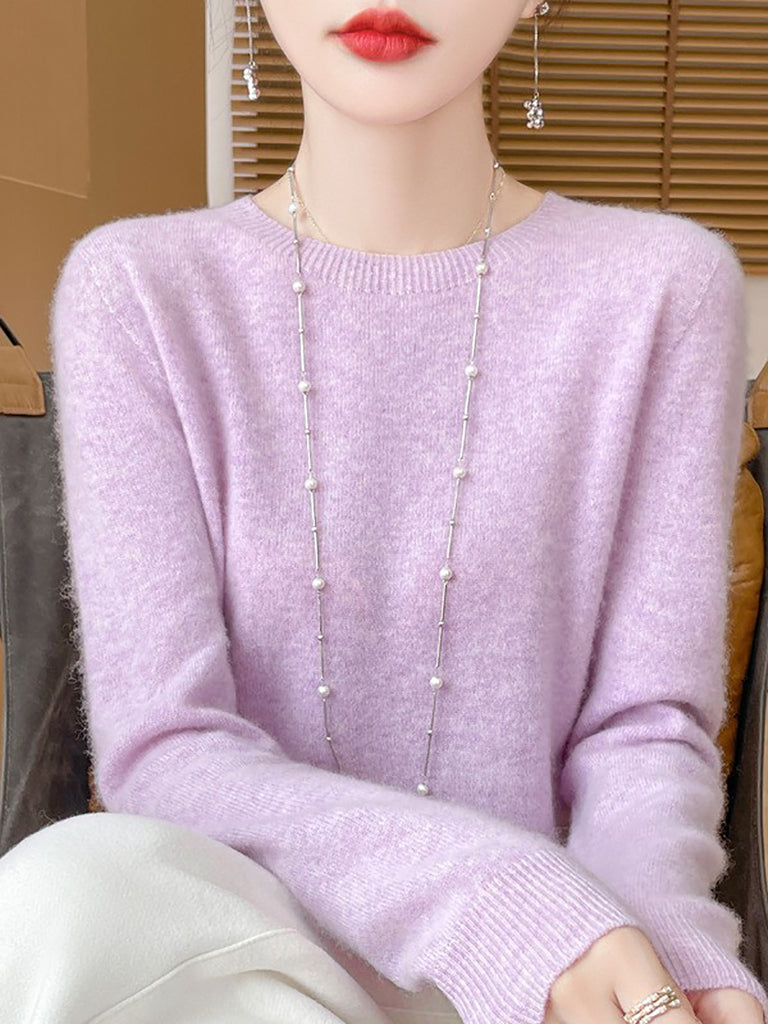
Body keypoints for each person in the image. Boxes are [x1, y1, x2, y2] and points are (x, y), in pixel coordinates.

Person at [0, 0, 766, 1022]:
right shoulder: (138, 290)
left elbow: (642, 727)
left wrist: (665, 950)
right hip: (247, 967)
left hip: (557, 977)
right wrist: (491, 900)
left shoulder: (664, 287)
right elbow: (167, 747)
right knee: (56, 897)